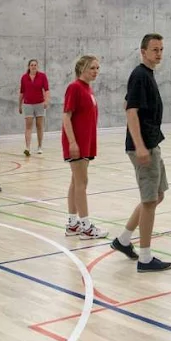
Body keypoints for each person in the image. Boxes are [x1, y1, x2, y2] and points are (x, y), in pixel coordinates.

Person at [110, 34, 171, 272]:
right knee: (149, 201)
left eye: (161, 49)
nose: (159, 53)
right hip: (143, 146)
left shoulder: (147, 75)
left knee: (157, 196)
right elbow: (131, 111)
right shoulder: (139, 76)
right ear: (143, 51)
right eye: (154, 49)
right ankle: (145, 258)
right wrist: (140, 146)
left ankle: (123, 240)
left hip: (151, 143)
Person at [63, 55, 108, 239]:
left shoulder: (87, 89)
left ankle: (73, 224)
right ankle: (86, 226)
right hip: (77, 143)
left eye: (97, 68)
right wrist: (72, 142)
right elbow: (66, 117)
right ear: (82, 69)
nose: (96, 71)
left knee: (76, 182)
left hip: (86, 141)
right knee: (82, 183)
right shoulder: (74, 88)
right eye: (92, 68)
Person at [20, 59, 50, 155]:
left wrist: (46, 101)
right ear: (29, 67)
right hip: (28, 104)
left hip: (39, 104)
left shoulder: (42, 76)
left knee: (39, 125)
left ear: (37, 67)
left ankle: (40, 146)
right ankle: (27, 148)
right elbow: (22, 92)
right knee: (28, 126)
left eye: (35, 65)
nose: (33, 66)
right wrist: (19, 105)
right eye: (32, 65)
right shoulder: (24, 77)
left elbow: (46, 90)